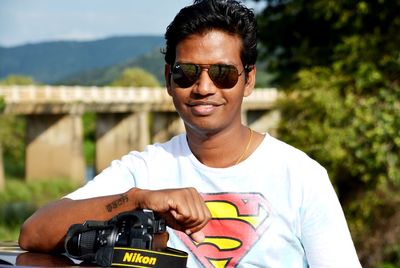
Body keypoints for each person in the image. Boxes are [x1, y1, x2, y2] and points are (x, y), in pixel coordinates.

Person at [19, 0, 362, 267]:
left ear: (249, 79)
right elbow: (33, 232)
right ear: (169, 79)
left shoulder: (301, 177)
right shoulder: (146, 170)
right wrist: (139, 199)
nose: (203, 87)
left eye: (223, 73)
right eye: (187, 72)